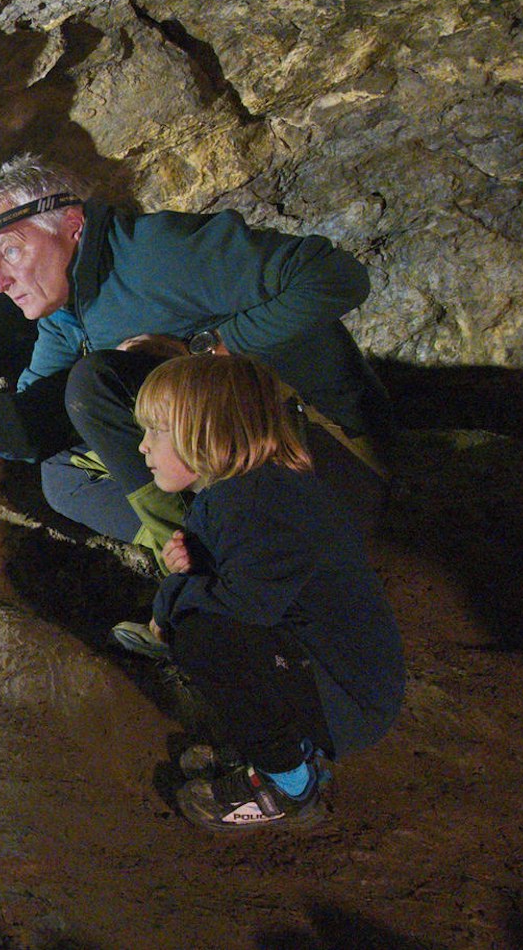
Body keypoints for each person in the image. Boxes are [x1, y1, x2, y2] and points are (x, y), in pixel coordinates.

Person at [0, 154, 393, 566]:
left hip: (329, 455)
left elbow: (336, 276)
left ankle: (232, 573)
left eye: (12, 252)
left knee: (94, 382)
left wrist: (211, 349)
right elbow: (36, 429)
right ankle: (204, 561)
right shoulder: (66, 319)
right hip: (249, 469)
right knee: (65, 477)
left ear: (71, 224)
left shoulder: (158, 254)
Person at [130, 354, 403, 831]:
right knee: (203, 627)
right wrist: (188, 578)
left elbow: (245, 608)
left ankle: (289, 785)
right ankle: (277, 747)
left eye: (157, 431)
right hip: (331, 674)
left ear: (208, 431)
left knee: (205, 638)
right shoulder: (248, 491)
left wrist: (172, 602)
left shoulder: (258, 500)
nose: (142, 446)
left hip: (351, 699)